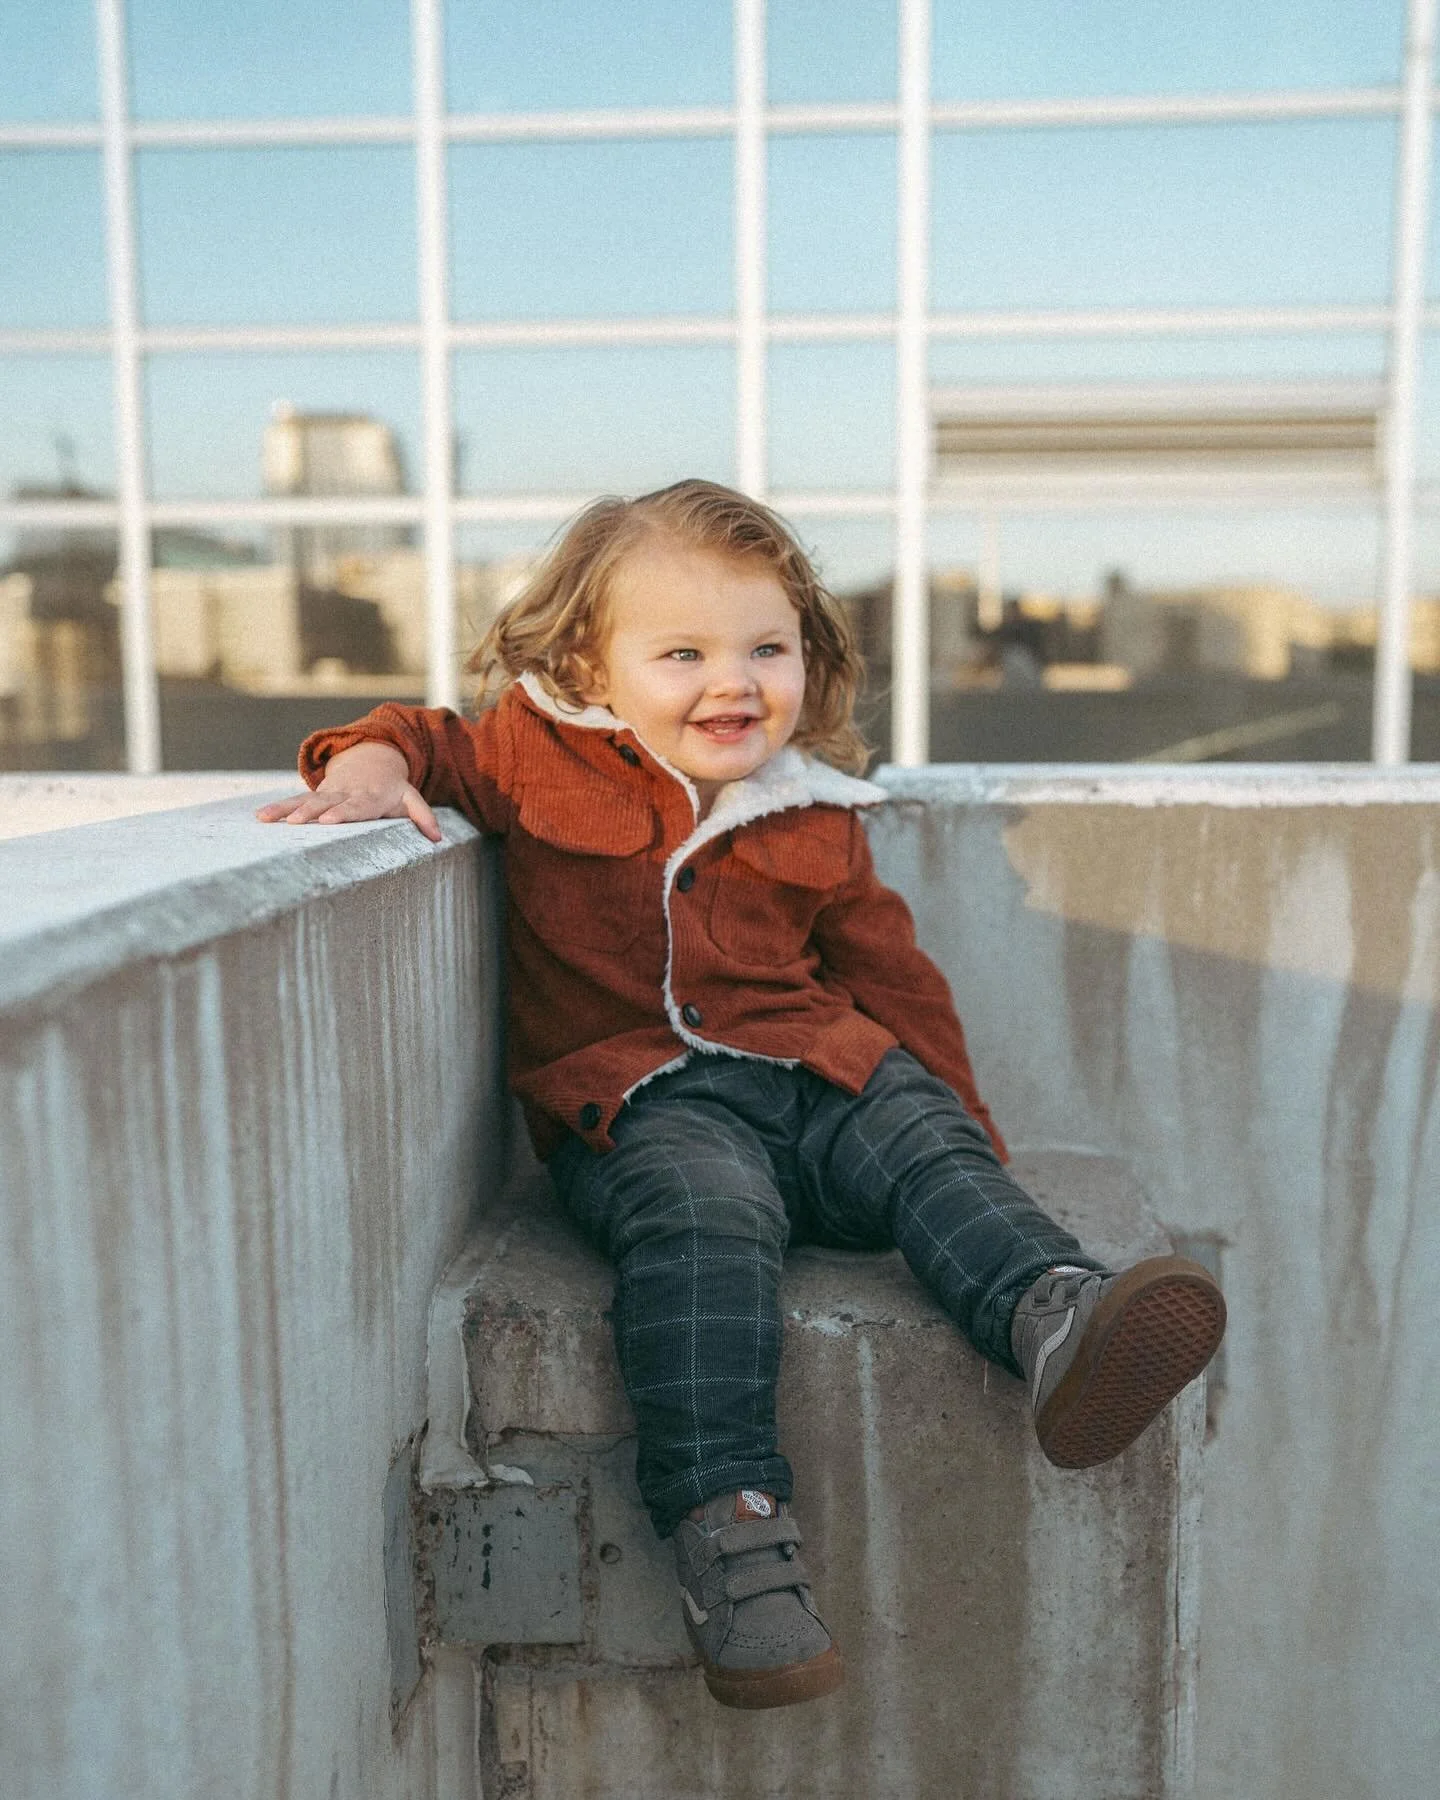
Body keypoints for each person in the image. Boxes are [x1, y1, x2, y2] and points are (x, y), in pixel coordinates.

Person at [258, 478, 1225, 1712]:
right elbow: (419, 735)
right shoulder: (532, 753)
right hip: (642, 1106)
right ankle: (733, 1531)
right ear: (587, 664)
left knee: (911, 1123)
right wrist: (366, 766)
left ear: (806, 658)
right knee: (707, 1219)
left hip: (813, 1076)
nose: (736, 682)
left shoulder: (808, 804)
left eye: (766, 648)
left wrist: (970, 1139)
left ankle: (1053, 1315)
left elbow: (890, 975)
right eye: (685, 653)